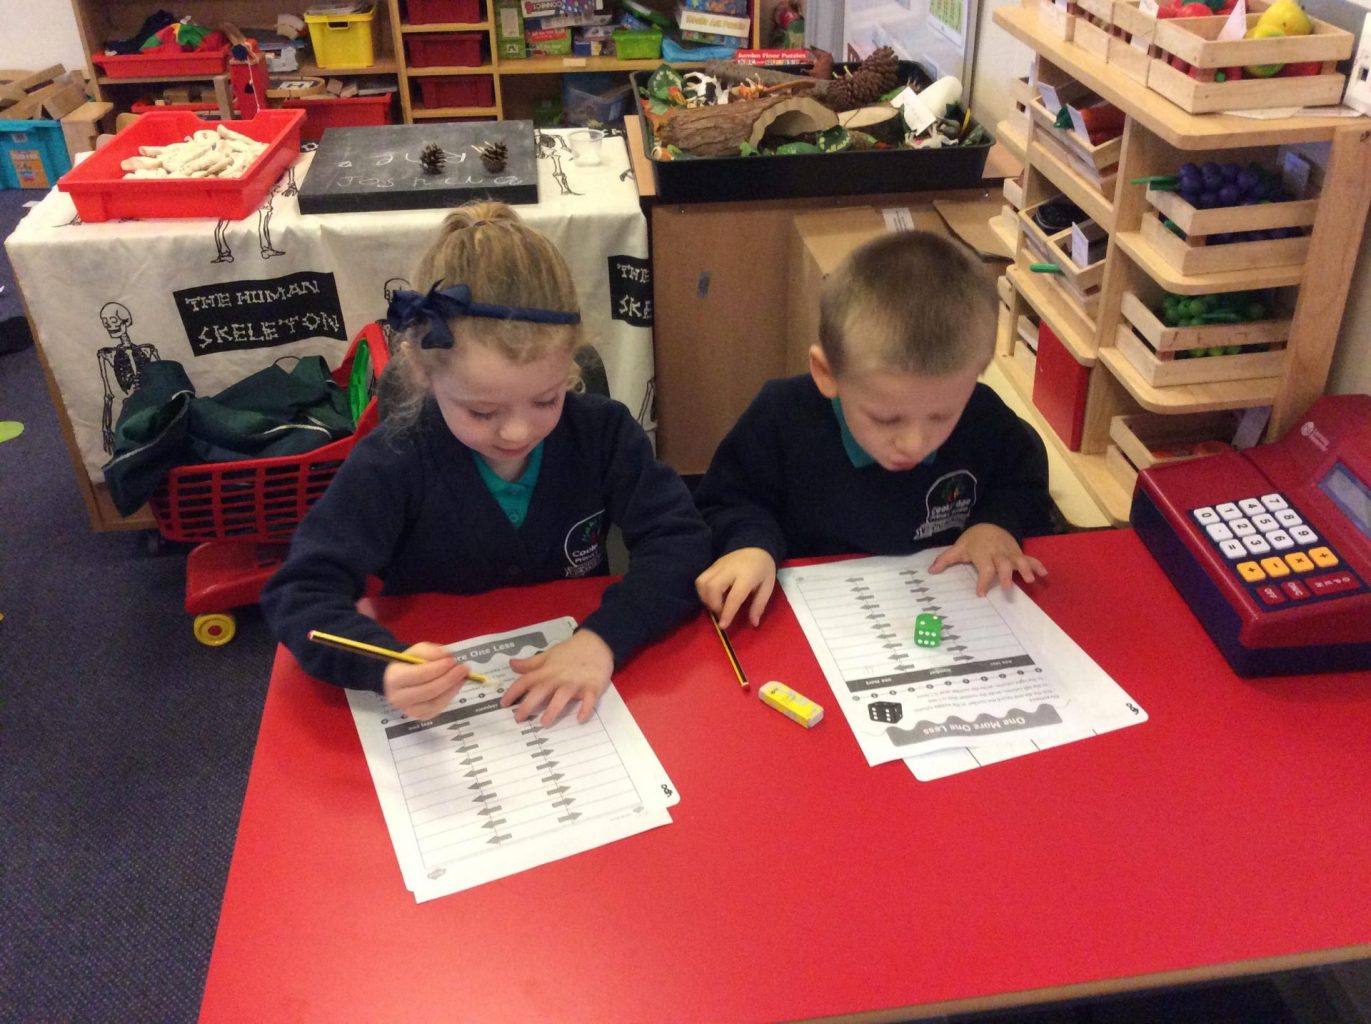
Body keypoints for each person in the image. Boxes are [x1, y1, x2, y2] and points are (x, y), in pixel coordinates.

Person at [261, 202, 711, 725]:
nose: (516, 432)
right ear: (424, 374)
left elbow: (681, 543)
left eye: (545, 399)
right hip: (449, 705)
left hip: (581, 685)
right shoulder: (394, 459)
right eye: (481, 411)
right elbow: (300, 592)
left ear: (569, 366)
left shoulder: (603, 434)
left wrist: (604, 639)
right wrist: (382, 663)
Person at [694, 230, 1055, 630]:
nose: (914, 443)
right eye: (887, 419)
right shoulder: (782, 416)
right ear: (827, 373)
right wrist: (750, 545)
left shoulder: (982, 416)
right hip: (810, 619)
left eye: (941, 417)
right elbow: (727, 502)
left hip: (946, 608)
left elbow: (1022, 479)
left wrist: (997, 522)